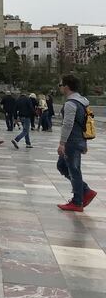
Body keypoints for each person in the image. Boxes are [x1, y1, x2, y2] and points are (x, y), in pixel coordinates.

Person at [56, 74, 97, 211]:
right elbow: (84, 124)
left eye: (60, 85)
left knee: (74, 170)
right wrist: (84, 143)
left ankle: (77, 201)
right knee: (62, 165)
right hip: (78, 140)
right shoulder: (82, 101)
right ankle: (85, 190)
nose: (59, 88)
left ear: (66, 87)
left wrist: (62, 143)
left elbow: (67, 124)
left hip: (72, 142)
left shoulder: (70, 104)